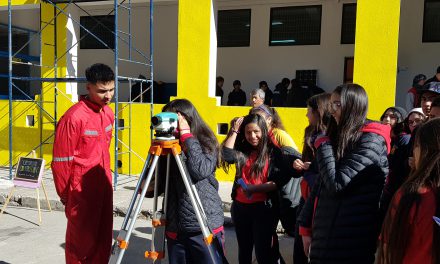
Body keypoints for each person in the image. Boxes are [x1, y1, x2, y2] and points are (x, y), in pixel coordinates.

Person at [298, 83, 391, 263]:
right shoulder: (339, 136)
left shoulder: (371, 140)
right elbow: (320, 184)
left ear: (354, 105)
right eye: (331, 104)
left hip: (351, 242)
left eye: (337, 105)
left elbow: (337, 184)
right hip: (326, 236)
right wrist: (305, 227)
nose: (332, 111)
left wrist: (324, 145)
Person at [51, 63, 115, 264]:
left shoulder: (108, 114)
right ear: (88, 87)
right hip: (81, 193)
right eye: (102, 91)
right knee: (80, 246)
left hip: (104, 187)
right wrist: (66, 196)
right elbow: (61, 161)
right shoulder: (73, 118)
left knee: (103, 240)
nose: (108, 96)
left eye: (111, 90)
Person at [220, 114, 299, 264]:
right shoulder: (242, 149)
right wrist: (234, 131)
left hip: (263, 210)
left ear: (263, 130)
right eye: (248, 132)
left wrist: (255, 189)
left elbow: (278, 181)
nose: (252, 136)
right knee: (244, 251)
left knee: (263, 253)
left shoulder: (274, 152)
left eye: (256, 131)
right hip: (240, 208)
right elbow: (226, 156)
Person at [160, 99, 227, 264]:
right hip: (176, 226)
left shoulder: (206, 141)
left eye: (173, 119)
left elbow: (200, 170)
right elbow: (159, 182)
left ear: (186, 118)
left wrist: (187, 136)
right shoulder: (168, 144)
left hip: (203, 225)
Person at [377, 118, 440, 264]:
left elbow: (388, 248)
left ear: (426, 150)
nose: (413, 151)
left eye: (416, 145)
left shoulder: (410, 195)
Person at [292, 93, 331, 264]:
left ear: (319, 112)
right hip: (305, 195)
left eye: (309, 111)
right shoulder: (309, 133)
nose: (306, 115)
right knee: (299, 249)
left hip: (320, 199)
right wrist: (299, 166)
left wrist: (311, 169)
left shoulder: (330, 137)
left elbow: (327, 173)